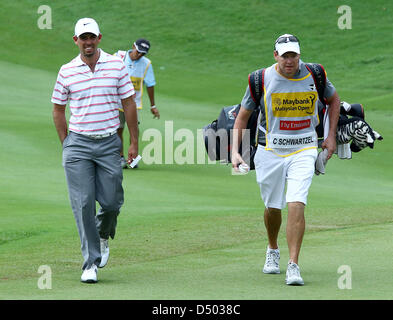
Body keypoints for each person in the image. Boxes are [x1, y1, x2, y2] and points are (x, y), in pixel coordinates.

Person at [231, 34, 340, 285]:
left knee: (296, 202)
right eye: (285, 55)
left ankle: (293, 264)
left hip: (304, 148)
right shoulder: (260, 79)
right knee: (273, 207)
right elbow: (242, 116)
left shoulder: (315, 74)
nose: (289, 60)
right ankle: (272, 249)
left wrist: (331, 136)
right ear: (275, 55)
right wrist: (236, 152)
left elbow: (333, 100)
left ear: (299, 55)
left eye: (294, 55)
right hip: (270, 149)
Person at [51, 18, 139, 283]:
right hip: (78, 144)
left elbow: (129, 103)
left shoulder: (115, 66)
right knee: (84, 203)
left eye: (92, 37)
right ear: (75, 40)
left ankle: (102, 234)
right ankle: (90, 262)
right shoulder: (67, 70)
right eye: (83, 38)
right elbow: (57, 109)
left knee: (112, 202)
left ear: (99, 37)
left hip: (109, 142)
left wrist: (134, 141)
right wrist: (66, 142)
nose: (87, 42)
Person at [114, 38, 160, 168]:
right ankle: (120, 157)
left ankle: (133, 159)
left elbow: (150, 84)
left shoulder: (146, 64)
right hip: (117, 102)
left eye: (143, 53)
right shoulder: (118, 57)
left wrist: (153, 106)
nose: (139, 55)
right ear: (133, 46)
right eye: (138, 51)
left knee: (134, 132)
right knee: (118, 129)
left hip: (134, 104)